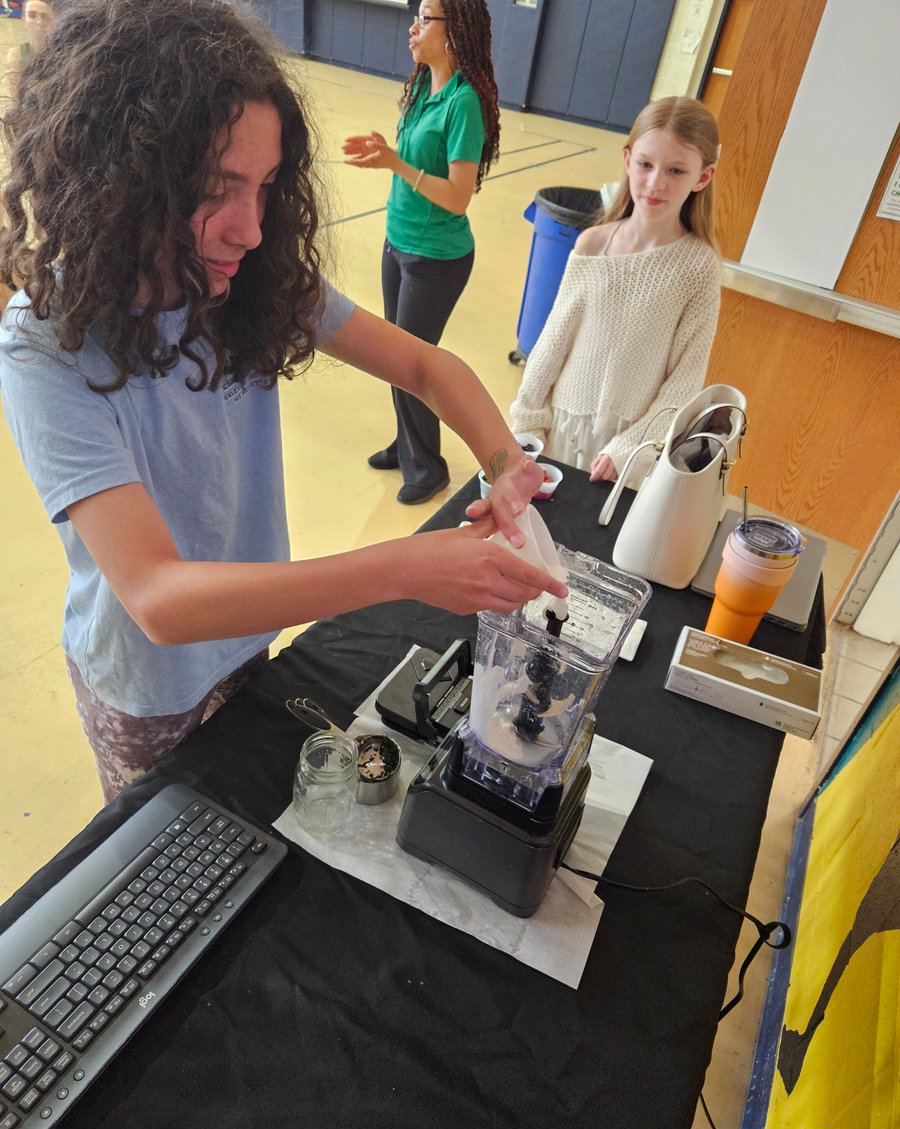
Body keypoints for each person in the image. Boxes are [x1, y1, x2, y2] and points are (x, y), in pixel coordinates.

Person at [0, 0, 564, 805]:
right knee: (167, 857)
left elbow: (428, 367)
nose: (252, 230)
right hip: (147, 684)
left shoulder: (252, 285)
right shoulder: (45, 345)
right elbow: (159, 597)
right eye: (214, 190)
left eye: (265, 188)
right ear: (119, 179)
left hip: (246, 636)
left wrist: (505, 464)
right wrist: (407, 567)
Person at [509, 96, 721, 486]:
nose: (656, 183)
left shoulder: (699, 267)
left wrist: (631, 447)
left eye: (676, 170)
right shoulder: (592, 245)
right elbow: (553, 344)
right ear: (628, 160)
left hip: (629, 454)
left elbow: (685, 380)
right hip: (560, 432)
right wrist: (527, 423)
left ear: (702, 177)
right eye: (645, 165)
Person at [341, 0, 500, 505]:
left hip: (437, 257)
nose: (413, 27)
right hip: (399, 240)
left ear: (454, 32)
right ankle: (409, 444)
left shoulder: (464, 102)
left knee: (414, 363)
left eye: (425, 18)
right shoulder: (421, 88)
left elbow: (456, 196)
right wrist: (390, 150)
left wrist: (395, 163)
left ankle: (427, 468)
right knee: (397, 357)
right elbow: (416, 162)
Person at [3, 0, 55, 100]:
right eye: (32, 15)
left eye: (44, 16)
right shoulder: (16, 55)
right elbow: (16, 98)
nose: (39, 21)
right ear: (24, 20)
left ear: (53, 21)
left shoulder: (63, 53)